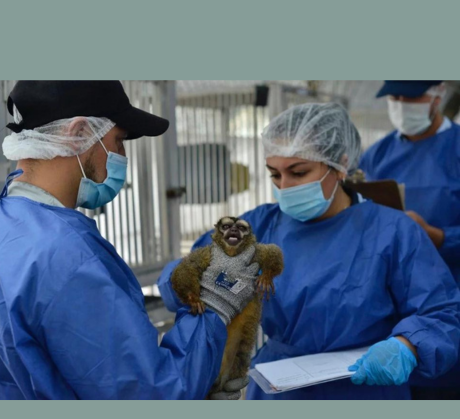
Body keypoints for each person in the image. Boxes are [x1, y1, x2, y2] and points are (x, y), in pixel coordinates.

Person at [158, 102, 460, 400]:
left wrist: (406, 346)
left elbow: (441, 311)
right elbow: (184, 275)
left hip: (367, 385)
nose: (285, 187)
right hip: (279, 386)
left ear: (340, 165)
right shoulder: (260, 226)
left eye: (298, 172)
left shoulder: (393, 231)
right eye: (275, 175)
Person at [0, 81, 249, 400]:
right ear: (79, 133)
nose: (121, 156)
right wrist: (214, 309)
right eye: (119, 142)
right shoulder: (66, 255)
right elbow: (151, 394)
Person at [360, 81, 460, 399]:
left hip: (450, 298)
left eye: (411, 96)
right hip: (393, 307)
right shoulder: (377, 155)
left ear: (438, 94)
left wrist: (440, 237)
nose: (402, 103)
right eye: (395, 96)